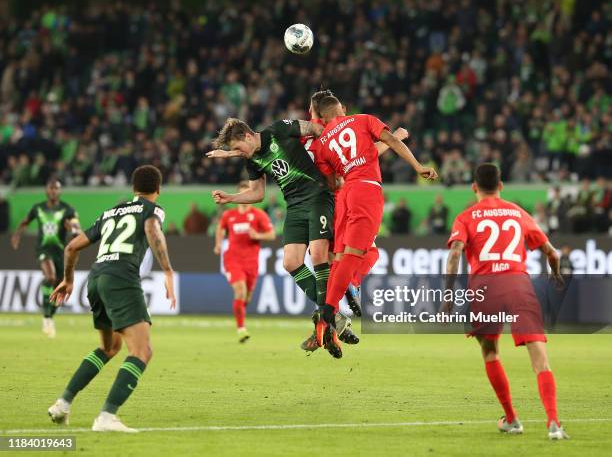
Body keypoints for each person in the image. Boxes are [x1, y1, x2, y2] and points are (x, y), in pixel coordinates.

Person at [443, 163, 568, 440]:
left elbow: (454, 255)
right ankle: (553, 423)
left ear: (474, 187)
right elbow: (552, 253)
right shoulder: (517, 212)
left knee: (490, 352)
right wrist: (555, 276)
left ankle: (512, 419)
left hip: (485, 290)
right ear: (501, 186)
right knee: (540, 360)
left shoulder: (466, 217)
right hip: (519, 285)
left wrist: (449, 292)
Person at [47, 165, 176, 433]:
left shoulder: (110, 212)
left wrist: (68, 279)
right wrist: (167, 271)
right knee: (142, 352)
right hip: (121, 279)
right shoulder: (152, 209)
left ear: (133, 189)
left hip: (95, 279)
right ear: (158, 190)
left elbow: (71, 247)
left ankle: (62, 404)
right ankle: (106, 417)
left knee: (109, 348)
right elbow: (152, 230)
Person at [208, 117, 354, 351]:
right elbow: (257, 193)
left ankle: (329, 315)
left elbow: (316, 129)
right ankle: (334, 316)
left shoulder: (279, 129)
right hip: (295, 206)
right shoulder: (252, 160)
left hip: (317, 195)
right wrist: (231, 198)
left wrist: (334, 164)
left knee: (318, 254)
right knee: (291, 262)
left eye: (237, 148)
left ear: (247, 136)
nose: (238, 153)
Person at [313, 95, 437, 357]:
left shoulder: (321, 144)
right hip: (366, 190)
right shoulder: (362, 120)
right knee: (359, 254)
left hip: (344, 196)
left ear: (322, 119)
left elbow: (332, 183)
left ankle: (331, 304)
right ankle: (328, 309)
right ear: (343, 109)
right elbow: (389, 139)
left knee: (346, 254)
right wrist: (417, 166)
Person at [11, 178, 81, 337]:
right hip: (43, 250)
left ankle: (49, 316)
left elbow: (75, 224)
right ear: (46, 191)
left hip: (60, 252)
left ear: (60, 191)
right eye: (51, 188)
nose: (53, 191)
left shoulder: (67, 209)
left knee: (59, 286)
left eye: (56, 189)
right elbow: (25, 222)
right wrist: (17, 235)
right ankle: (46, 316)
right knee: (50, 277)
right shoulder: (38, 208)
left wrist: (75, 230)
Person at [214, 181, 276, 342]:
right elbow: (220, 228)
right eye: (241, 194)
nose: (243, 198)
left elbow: (271, 234)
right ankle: (241, 329)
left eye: (247, 194)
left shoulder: (258, 215)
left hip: (251, 261)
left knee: (246, 297)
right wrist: (219, 244)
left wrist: (258, 236)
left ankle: (240, 313)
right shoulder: (229, 215)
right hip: (233, 258)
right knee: (240, 290)